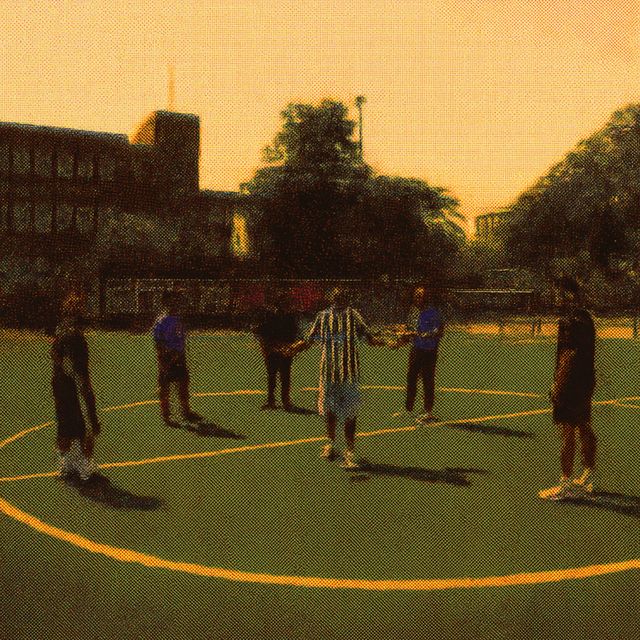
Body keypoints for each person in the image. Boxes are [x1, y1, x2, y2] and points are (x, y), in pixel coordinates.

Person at [295, 288, 387, 469]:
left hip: (349, 373)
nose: (338, 299)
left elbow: (368, 338)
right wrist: (294, 347)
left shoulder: (354, 316)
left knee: (350, 413)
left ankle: (350, 451)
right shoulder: (322, 317)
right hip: (328, 372)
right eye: (336, 296)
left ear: (347, 298)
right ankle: (331, 443)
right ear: (331, 298)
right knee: (329, 410)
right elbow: (309, 339)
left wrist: (386, 341)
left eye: (342, 296)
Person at [539, 276, 597, 500]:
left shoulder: (569, 321)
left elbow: (569, 354)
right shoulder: (585, 318)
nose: (555, 296)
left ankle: (565, 483)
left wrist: (558, 383)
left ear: (569, 294)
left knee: (567, 431)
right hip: (585, 381)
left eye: (558, 292)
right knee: (583, 425)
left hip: (571, 383)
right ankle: (589, 474)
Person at [51, 292, 101, 482]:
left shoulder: (60, 331)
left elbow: (54, 354)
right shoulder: (77, 338)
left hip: (59, 383)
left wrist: (63, 369)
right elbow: (80, 370)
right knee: (87, 425)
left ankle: (65, 464)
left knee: (64, 425)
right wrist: (84, 389)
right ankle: (85, 467)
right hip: (73, 383)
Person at [153, 290, 202, 427]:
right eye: (172, 301)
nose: (175, 304)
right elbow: (158, 341)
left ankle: (186, 411)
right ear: (166, 303)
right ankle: (166, 415)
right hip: (167, 357)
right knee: (165, 387)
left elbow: (181, 338)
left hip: (179, 356)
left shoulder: (178, 319)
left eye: (176, 301)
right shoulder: (162, 321)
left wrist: (179, 353)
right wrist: (164, 358)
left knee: (183, 384)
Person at [400, 286, 444, 422]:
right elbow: (409, 331)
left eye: (420, 296)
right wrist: (401, 340)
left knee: (427, 380)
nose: (417, 298)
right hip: (416, 349)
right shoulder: (413, 312)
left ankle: (428, 412)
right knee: (411, 379)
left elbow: (440, 330)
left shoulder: (433, 312)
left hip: (429, 351)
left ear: (426, 298)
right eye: (416, 295)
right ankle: (408, 409)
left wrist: (428, 334)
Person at [254, 289, 299, 411]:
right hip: (276, 348)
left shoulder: (287, 316)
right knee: (276, 376)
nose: (287, 305)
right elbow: (261, 332)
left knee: (281, 376)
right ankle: (277, 401)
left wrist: (290, 346)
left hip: (280, 348)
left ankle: (280, 401)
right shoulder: (272, 316)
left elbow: (294, 333)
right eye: (285, 303)